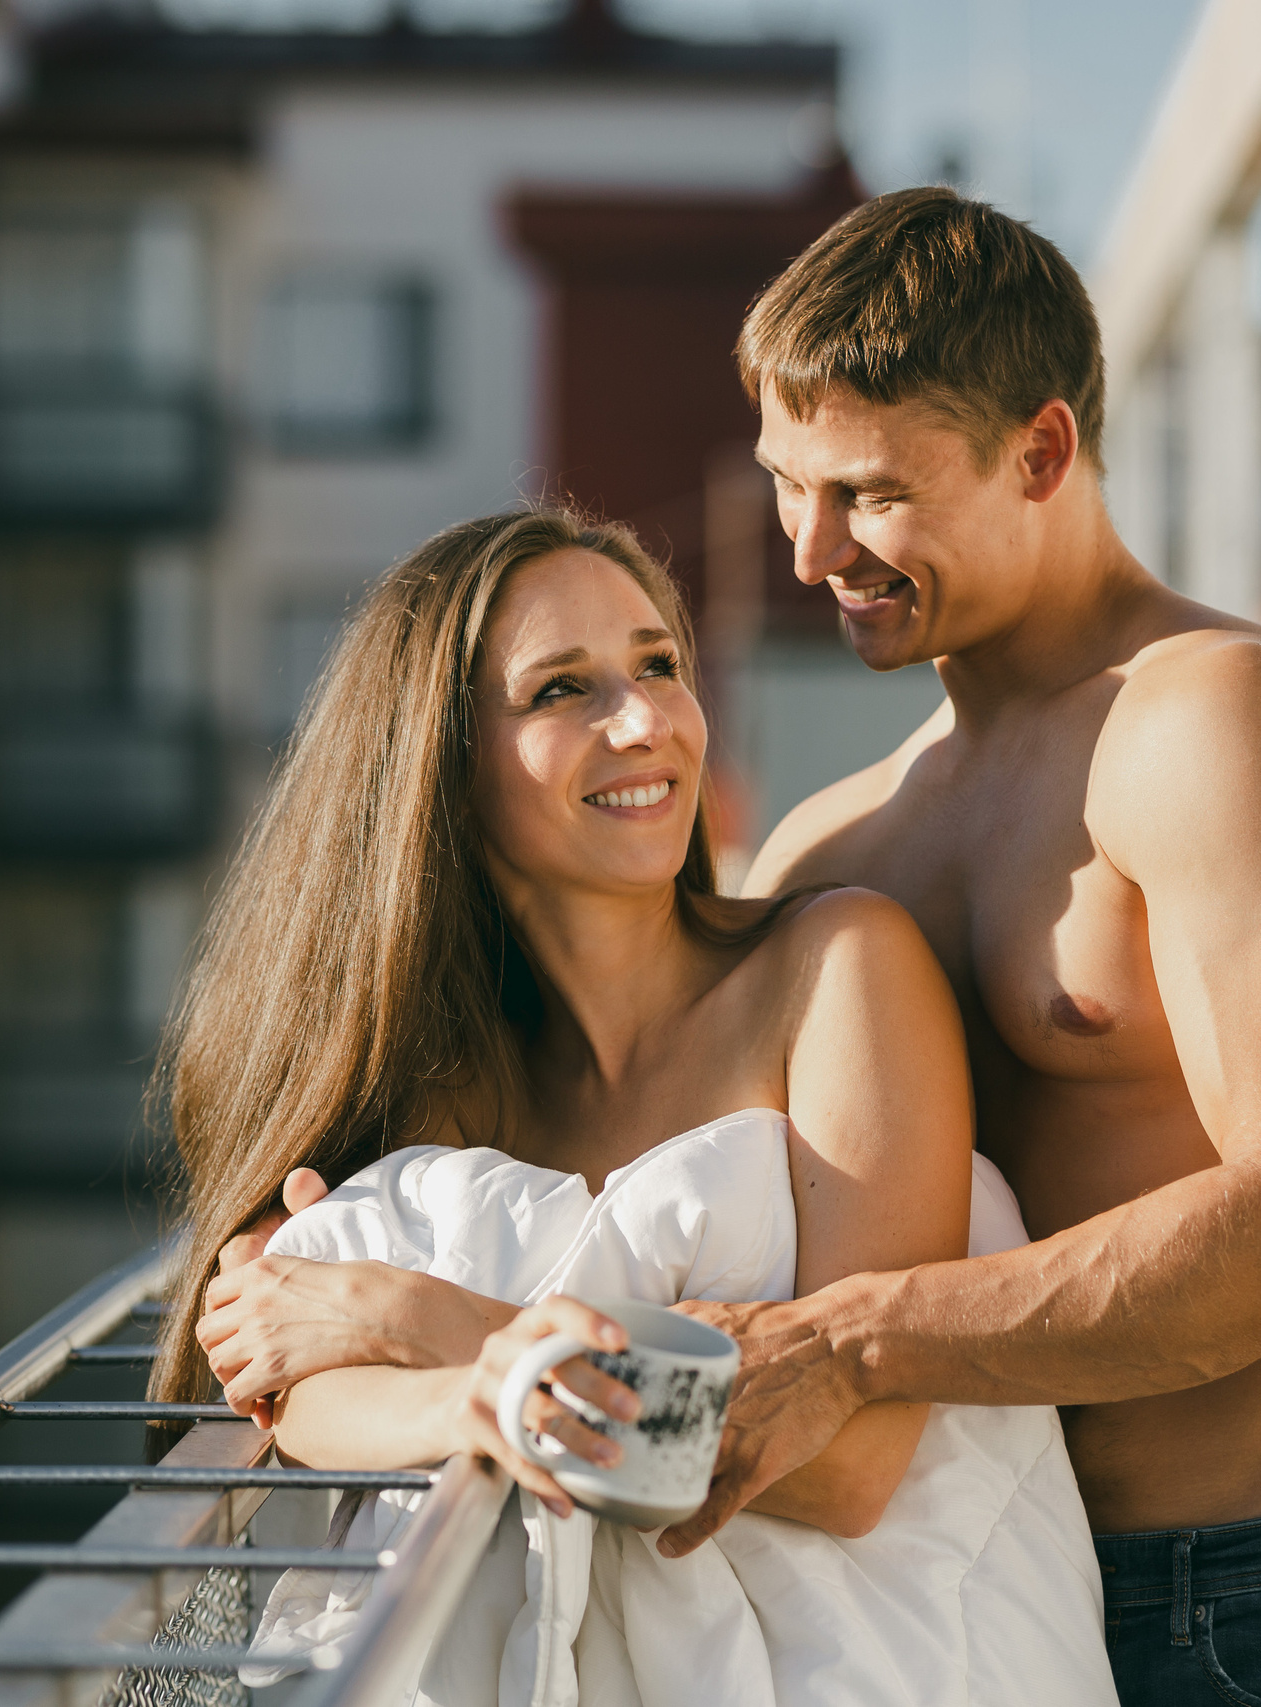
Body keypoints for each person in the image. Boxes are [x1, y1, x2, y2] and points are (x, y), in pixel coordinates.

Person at [638, 186, 1261, 1707]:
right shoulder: (836, 843)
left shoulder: (1217, 720)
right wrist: (378, 1250)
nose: (812, 552)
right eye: (787, 486)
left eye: (869, 492)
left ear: (1045, 452)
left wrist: (856, 1338)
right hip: (1008, 1607)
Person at [155, 507, 1113, 1705]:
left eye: (658, 664)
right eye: (563, 690)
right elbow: (300, 1395)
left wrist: (416, 1313)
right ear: (443, 762)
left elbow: (849, 1462)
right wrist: (471, 1394)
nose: (645, 720)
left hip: (886, 1664)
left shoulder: (834, 970)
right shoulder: (445, 1085)